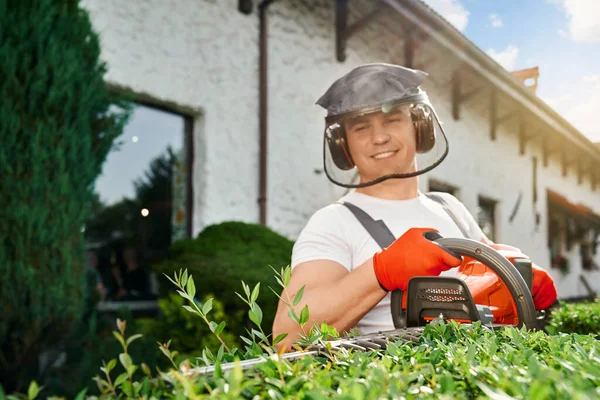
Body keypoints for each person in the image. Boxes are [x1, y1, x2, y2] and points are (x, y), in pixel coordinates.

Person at [271, 63, 557, 351]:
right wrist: (381, 272)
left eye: (392, 120)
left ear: (420, 127)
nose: (379, 137)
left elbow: (487, 279)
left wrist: (517, 280)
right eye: (361, 127)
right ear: (341, 145)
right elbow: (288, 336)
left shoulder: (449, 207)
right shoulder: (333, 222)